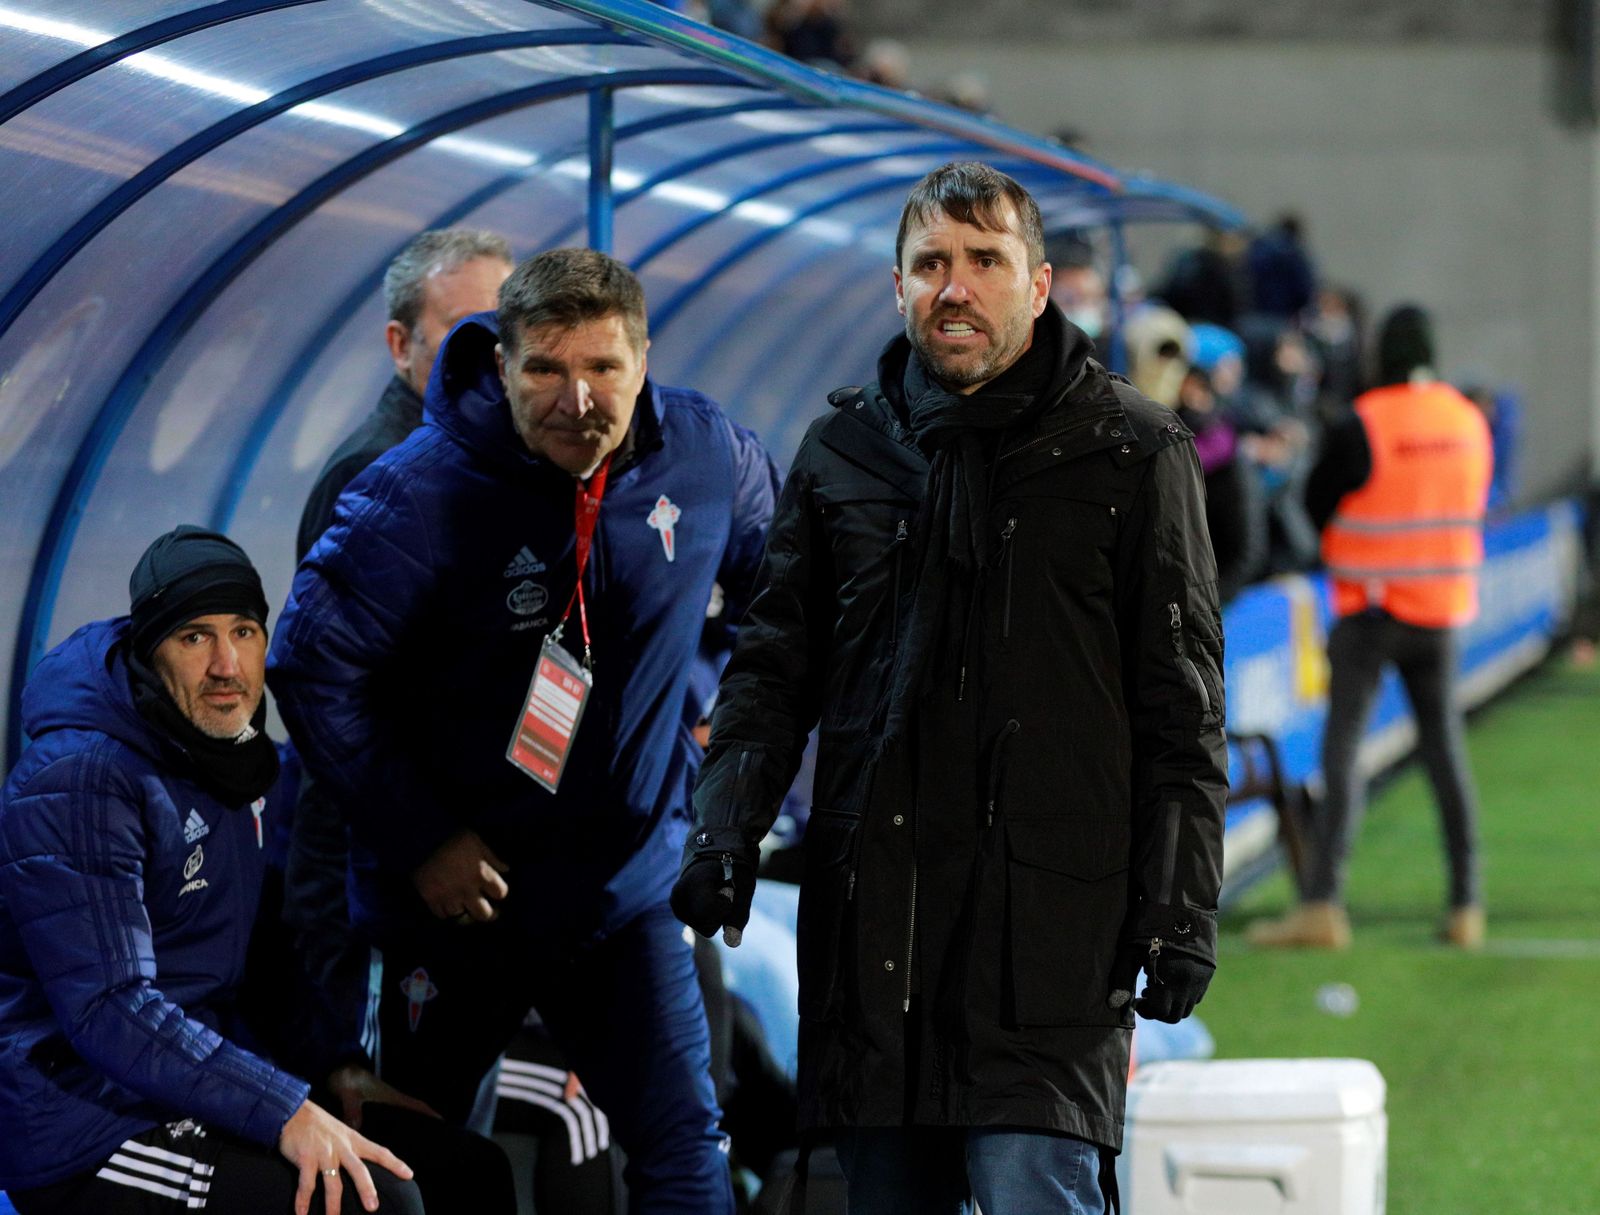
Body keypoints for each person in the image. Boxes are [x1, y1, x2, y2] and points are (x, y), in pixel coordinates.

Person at [671, 161, 1227, 1215]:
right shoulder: (842, 452)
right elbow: (771, 672)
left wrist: (1179, 906)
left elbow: (1183, 710)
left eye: (984, 260)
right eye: (930, 263)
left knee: (1031, 1188)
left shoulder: (1132, 453)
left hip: (1051, 942)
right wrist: (724, 832)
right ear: (897, 287)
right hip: (876, 936)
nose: (954, 287)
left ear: (1039, 283)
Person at [268, 247, 780, 1215]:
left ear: (643, 361)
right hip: (463, 908)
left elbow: (786, 592)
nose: (575, 400)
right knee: (424, 1156)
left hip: (622, 893)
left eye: (603, 368)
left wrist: (701, 706)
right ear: (502, 366)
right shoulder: (417, 492)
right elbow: (310, 664)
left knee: (685, 1143)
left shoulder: (705, 457)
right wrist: (422, 837)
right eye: (545, 368)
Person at [0, 526, 420, 1215]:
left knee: (458, 1167)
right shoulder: (82, 779)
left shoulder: (231, 756)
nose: (227, 664)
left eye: (244, 632)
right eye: (195, 637)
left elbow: (261, 953)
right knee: (379, 1202)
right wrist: (282, 1108)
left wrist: (336, 1067)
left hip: (184, 1084)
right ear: (149, 650)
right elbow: (108, 1006)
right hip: (82, 1121)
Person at [1249, 304, 1493, 951]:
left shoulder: (1365, 420)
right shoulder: (1468, 420)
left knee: (1343, 754)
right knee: (1446, 756)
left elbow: (1315, 501)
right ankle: (1467, 905)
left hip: (1370, 611)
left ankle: (1323, 905)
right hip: (1441, 611)